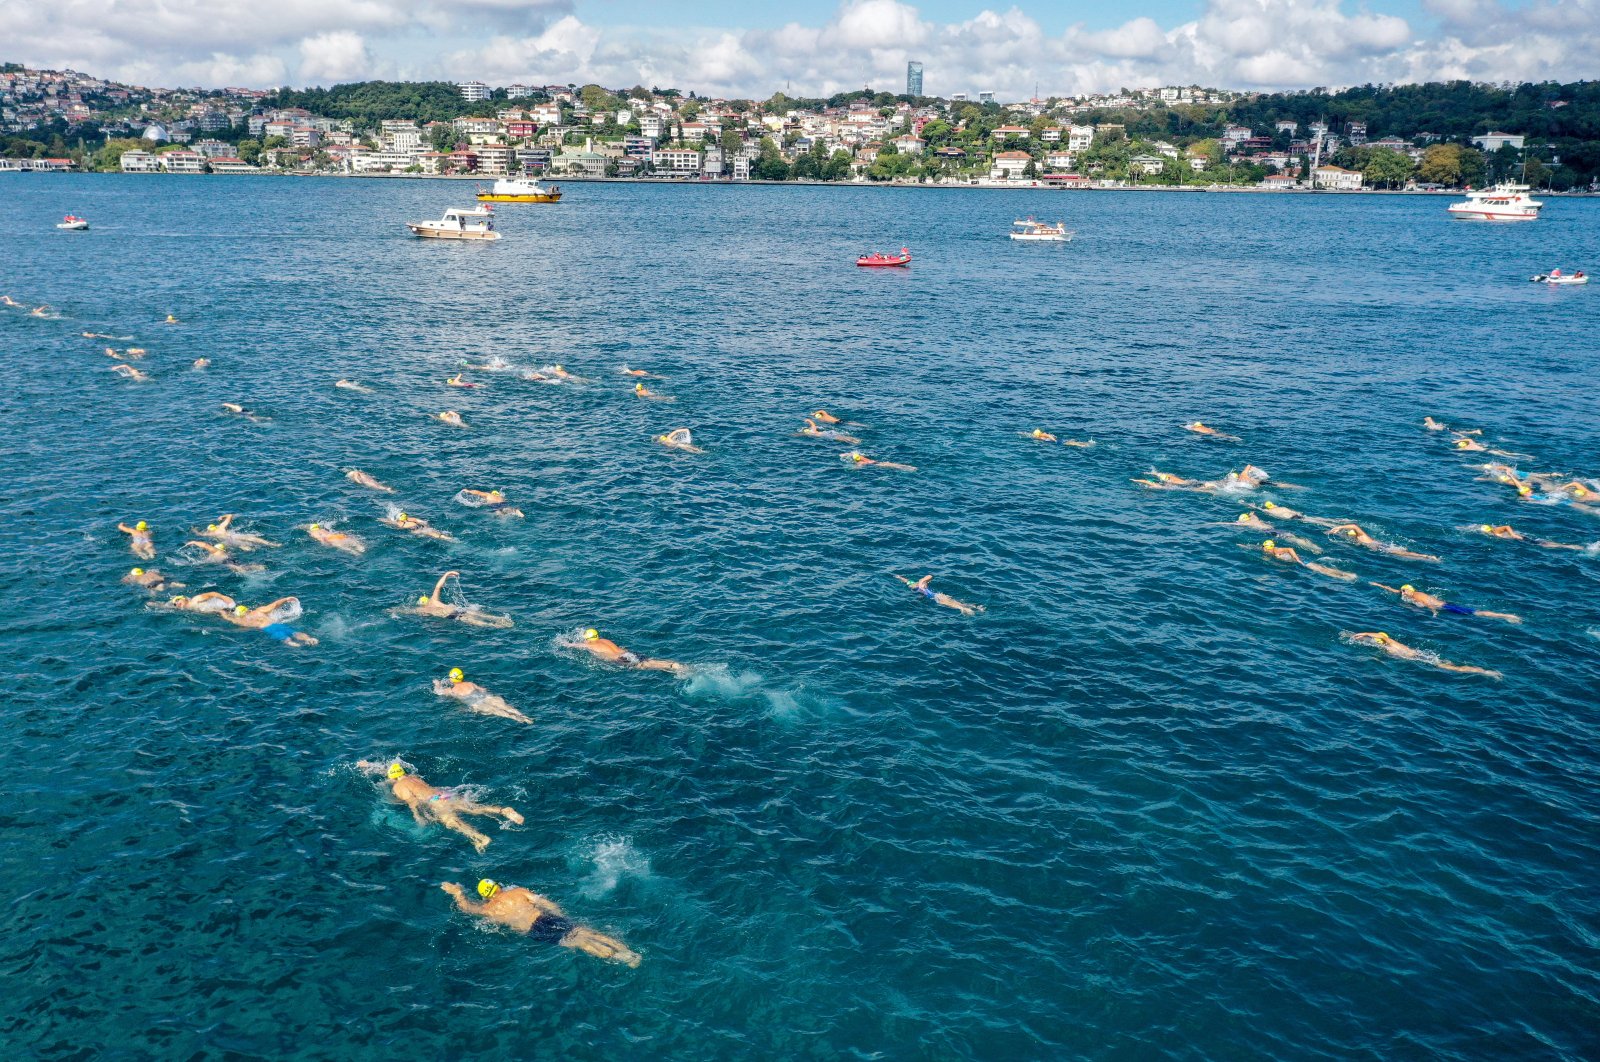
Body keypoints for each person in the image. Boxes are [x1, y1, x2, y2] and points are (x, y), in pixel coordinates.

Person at [439, 879, 640, 967]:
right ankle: (628, 952)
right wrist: (560, 915)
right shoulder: (517, 891)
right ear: (498, 886)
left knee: (579, 942)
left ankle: (619, 959)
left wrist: (457, 892)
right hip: (543, 917)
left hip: (533, 931)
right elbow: (543, 902)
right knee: (586, 932)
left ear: (485, 896)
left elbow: (467, 908)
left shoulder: (488, 910)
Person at [358, 761, 523, 853]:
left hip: (434, 801)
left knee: (452, 822)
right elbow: (391, 771)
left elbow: (413, 802)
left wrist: (418, 817)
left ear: (392, 778)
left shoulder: (398, 787)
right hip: (442, 794)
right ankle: (502, 810)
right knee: (473, 807)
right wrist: (368, 765)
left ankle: (480, 838)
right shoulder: (412, 776)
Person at [1345, 631, 1501, 679]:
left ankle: (1484, 671)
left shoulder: (1389, 642)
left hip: (1418, 657)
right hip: (1417, 657)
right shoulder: (1386, 647)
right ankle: (1482, 671)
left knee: (1452, 668)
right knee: (1448, 666)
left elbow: (1383, 638)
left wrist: (1364, 633)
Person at [401, 572, 513, 628]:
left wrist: (391, 611)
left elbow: (406, 611)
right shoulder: (434, 600)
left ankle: (495, 626)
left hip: (452, 615)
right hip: (458, 609)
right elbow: (438, 586)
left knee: (476, 622)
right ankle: (499, 618)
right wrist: (447, 574)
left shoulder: (423, 610)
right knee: (478, 614)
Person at [1371, 583, 1522, 623]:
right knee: (1472, 613)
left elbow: (1426, 603)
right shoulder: (1408, 593)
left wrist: (1434, 613)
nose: (1402, 592)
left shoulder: (1416, 596)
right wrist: (1378, 585)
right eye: (1402, 591)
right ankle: (1504, 615)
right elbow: (1393, 590)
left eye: (1404, 591)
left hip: (1444, 607)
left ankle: (1505, 616)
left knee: (1476, 613)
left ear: (1410, 591)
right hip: (1444, 603)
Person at [432, 667, 532, 723]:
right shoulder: (470, 683)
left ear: (451, 678)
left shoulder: (451, 690)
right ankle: (524, 716)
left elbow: (438, 691)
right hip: (486, 697)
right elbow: (483, 690)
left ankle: (519, 720)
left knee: (499, 712)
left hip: (476, 703)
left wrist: (437, 683)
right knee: (507, 707)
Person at [573, 629, 687, 674]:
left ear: (587, 639)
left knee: (642, 666)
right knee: (647, 660)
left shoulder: (589, 645)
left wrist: (564, 643)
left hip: (621, 659)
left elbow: (573, 645)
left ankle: (670, 667)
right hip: (627, 653)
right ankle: (671, 664)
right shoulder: (604, 640)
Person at [1325, 523, 1439, 562]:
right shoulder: (1354, 538)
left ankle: (1427, 556)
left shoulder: (1362, 536)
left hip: (1381, 547)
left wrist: (1340, 527)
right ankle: (1424, 556)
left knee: (1402, 554)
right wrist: (1331, 531)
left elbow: (1354, 526)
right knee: (1401, 552)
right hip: (1379, 546)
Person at [223, 599, 317, 646]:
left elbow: (227, 617)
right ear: (247, 610)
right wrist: (286, 599)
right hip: (277, 624)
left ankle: (291, 643)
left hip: (268, 629)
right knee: (293, 632)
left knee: (282, 636)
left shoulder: (242, 621)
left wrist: (220, 611)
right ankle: (308, 639)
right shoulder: (259, 611)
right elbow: (275, 605)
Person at [1260, 540, 1356, 581]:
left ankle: (1344, 576)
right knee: (1322, 568)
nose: (1262, 548)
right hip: (1300, 561)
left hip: (1302, 561)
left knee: (1321, 570)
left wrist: (1297, 560)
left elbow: (1290, 549)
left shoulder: (1277, 550)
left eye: (1263, 547)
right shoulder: (1271, 551)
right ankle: (1344, 574)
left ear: (1268, 547)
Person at [893, 574, 983, 616]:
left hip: (936, 597)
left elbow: (930, 576)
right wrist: (899, 577)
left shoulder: (920, 585)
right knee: (957, 602)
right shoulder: (916, 584)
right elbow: (906, 581)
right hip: (937, 595)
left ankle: (965, 609)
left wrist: (924, 580)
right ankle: (976, 607)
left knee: (954, 605)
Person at [1466, 523, 1593, 551]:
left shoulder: (1495, 531)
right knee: (1547, 544)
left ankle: (1576, 547)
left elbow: (1507, 526)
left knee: (1548, 546)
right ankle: (1574, 547)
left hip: (1522, 540)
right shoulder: (1493, 533)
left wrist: (1513, 535)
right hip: (1522, 541)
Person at [182, 540, 267, 575]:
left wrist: (193, 542)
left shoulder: (216, 551)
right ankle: (256, 567)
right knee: (239, 566)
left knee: (239, 570)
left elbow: (205, 545)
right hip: (228, 560)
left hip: (226, 561)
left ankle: (248, 574)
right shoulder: (224, 552)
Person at [198, 514, 279, 550]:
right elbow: (230, 515)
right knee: (253, 538)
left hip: (229, 541)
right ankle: (272, 544)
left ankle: (249, 549)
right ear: (215, 527)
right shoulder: (221, 527)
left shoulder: (210, 534)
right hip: (234, 536)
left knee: (245, 547)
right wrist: (222, 516)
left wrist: (193, 529)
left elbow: (199, 534)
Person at [1253, 500, 1339, 526]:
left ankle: (1331, 525)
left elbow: (1258, 509)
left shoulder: (1268, 511)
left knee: (1313, 522)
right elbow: (1294, 511)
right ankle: (1335, 521)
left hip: (1291, 518)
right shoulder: (1282, 507)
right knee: (1314, 519)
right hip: (1296, 515)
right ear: (1273, 504)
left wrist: (1249, 505)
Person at [380, 511, 454, 541]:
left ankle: (447, 538)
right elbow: (424, 522)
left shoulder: (400, 523)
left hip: (417, 531)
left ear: (400, 519)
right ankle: (445, 537)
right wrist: (427, 526)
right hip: (422, 527)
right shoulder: (412, 519)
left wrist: (380, 519)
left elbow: (389, 521)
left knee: (430, 533)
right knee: (433, 531)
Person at [455, 489, 524, 518]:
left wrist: (468, 491)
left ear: (492, 493)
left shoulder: (488, 495)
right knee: (509, 509)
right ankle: (517, 511)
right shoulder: (501, 497)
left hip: (494, 505)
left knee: (499, 513)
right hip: (503, 503)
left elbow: (477, 492)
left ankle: (503, 520)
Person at [841, 451, 915, 472]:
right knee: (894, 465)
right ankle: (909, 467)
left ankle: (909, 468)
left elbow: (858, 468)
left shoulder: (860, 462)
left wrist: (852, 469)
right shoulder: (862, 457)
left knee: (894, 466)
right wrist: (845, 454)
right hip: (876, 462)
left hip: (876, 464)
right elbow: (853, 453)